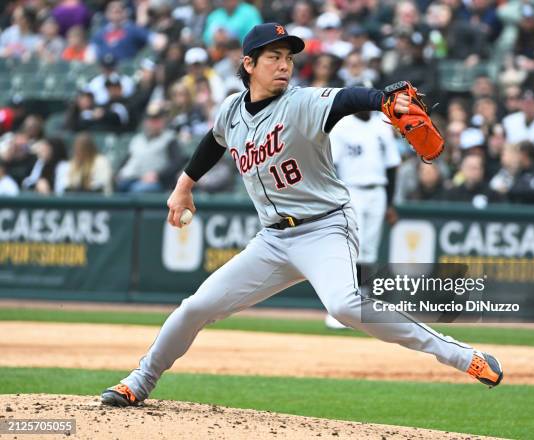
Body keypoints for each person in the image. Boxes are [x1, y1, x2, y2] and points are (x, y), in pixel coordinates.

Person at [100, 23, 503, 408]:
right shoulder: (230, 110)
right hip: (273, 240)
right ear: (249, 64)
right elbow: (213, 142)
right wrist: (183, 186)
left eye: (289, 59)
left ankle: (458, 355)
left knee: (345, 306)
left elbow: (347, 99)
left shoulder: (302, 103)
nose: (284, 66)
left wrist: (383, 98)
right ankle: (139, 381)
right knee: (194, 307)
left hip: (326, 227)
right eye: (274, 57)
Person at [325, 108, 401, 329]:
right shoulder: (343, 126)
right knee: (350, 247)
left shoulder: (382, 125)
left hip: (378, 190)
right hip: (351, 189)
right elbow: (332, 166)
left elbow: (392, 166)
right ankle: (341, 305)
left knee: (369, 249)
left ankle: (362, 304)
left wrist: (390, 202)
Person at [115, 103, 185, 193]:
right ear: (145, 121)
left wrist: (158, 175)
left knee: (137, 190)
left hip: (155, 181)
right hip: (131, 177)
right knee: (118, 186)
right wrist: (117, 173)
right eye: (151, 119)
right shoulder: (137, 139)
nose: (153, 123)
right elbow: (126, 160)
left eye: (157, 119)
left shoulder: (170, 138)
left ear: (163, 121)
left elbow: (177, 162)